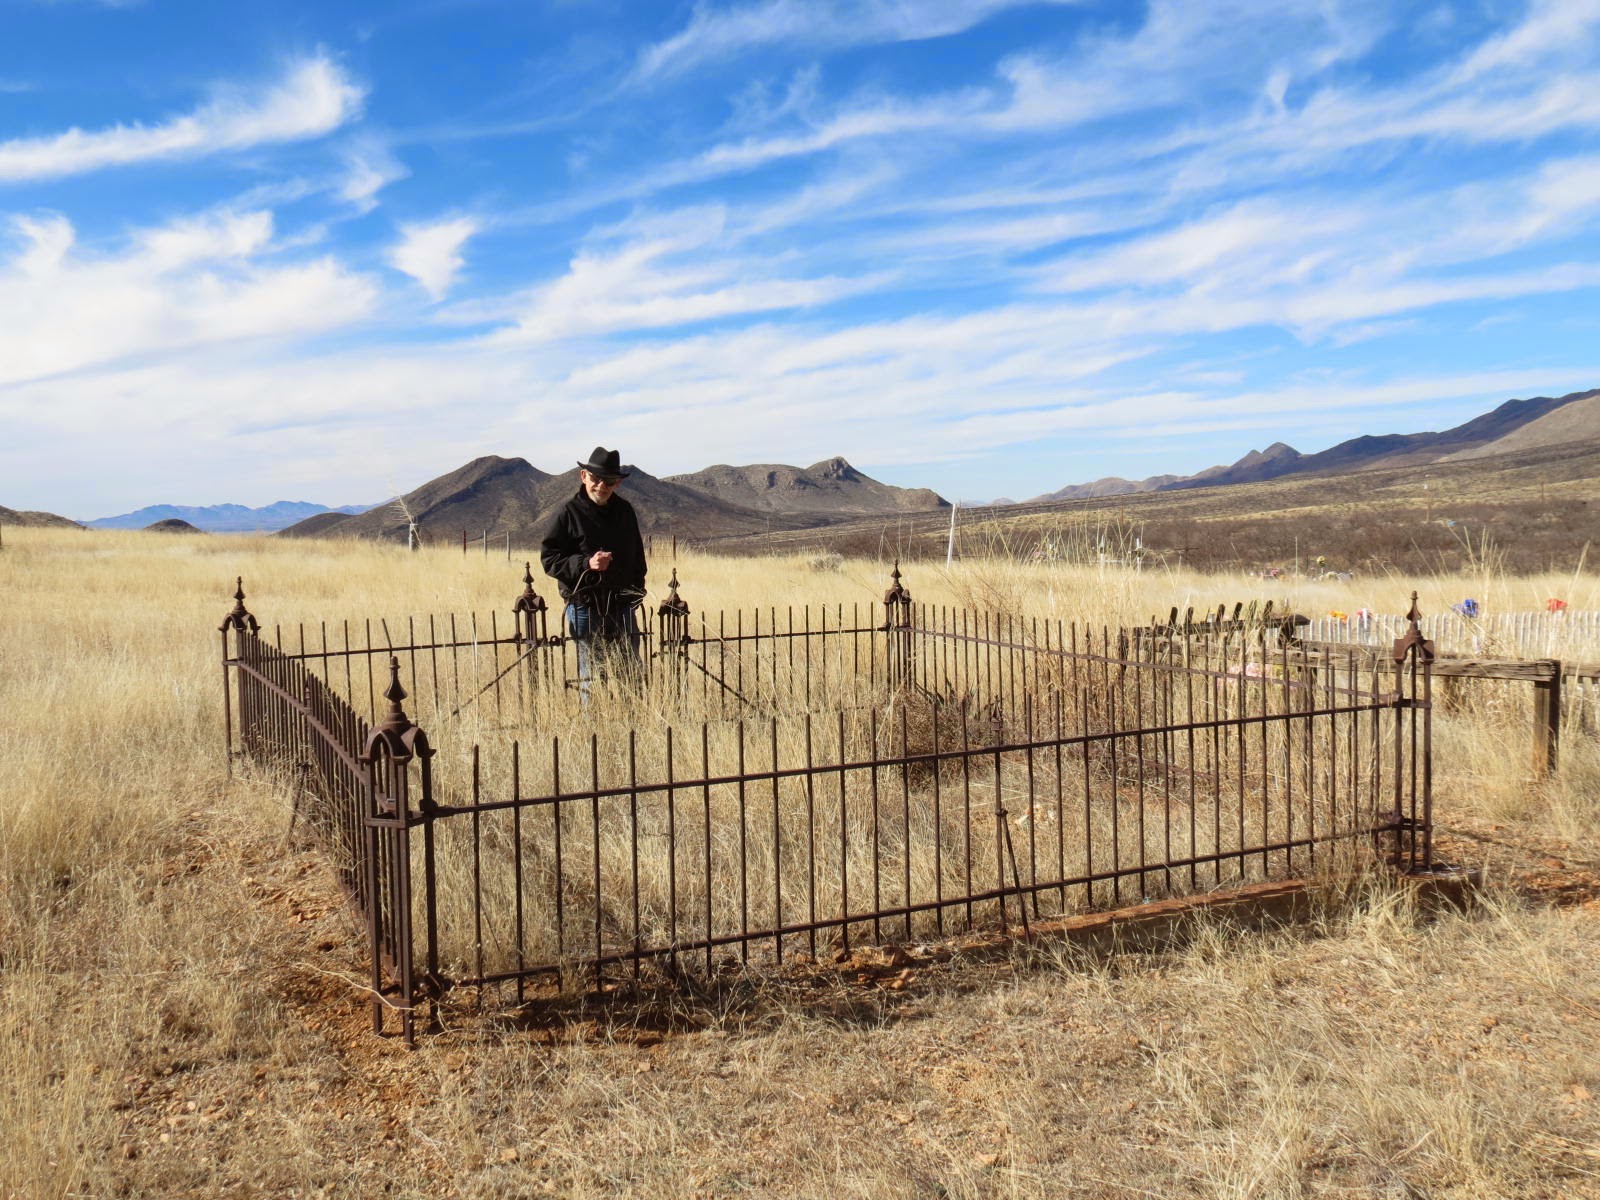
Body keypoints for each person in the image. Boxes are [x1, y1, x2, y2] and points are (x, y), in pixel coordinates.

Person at [540, 446, 648, 693]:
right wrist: (586, 564)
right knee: (593, 674)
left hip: (622, 605)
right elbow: (549, 558)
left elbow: (637, 556)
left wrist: (636, 592)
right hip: (585, 606)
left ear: (618, 483)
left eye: (609, 481)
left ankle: (632, 724)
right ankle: (594, 727)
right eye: (596, 478)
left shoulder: (625, 512)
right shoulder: (569, 513)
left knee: (630, 671)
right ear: (584, 476)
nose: (601, 486)